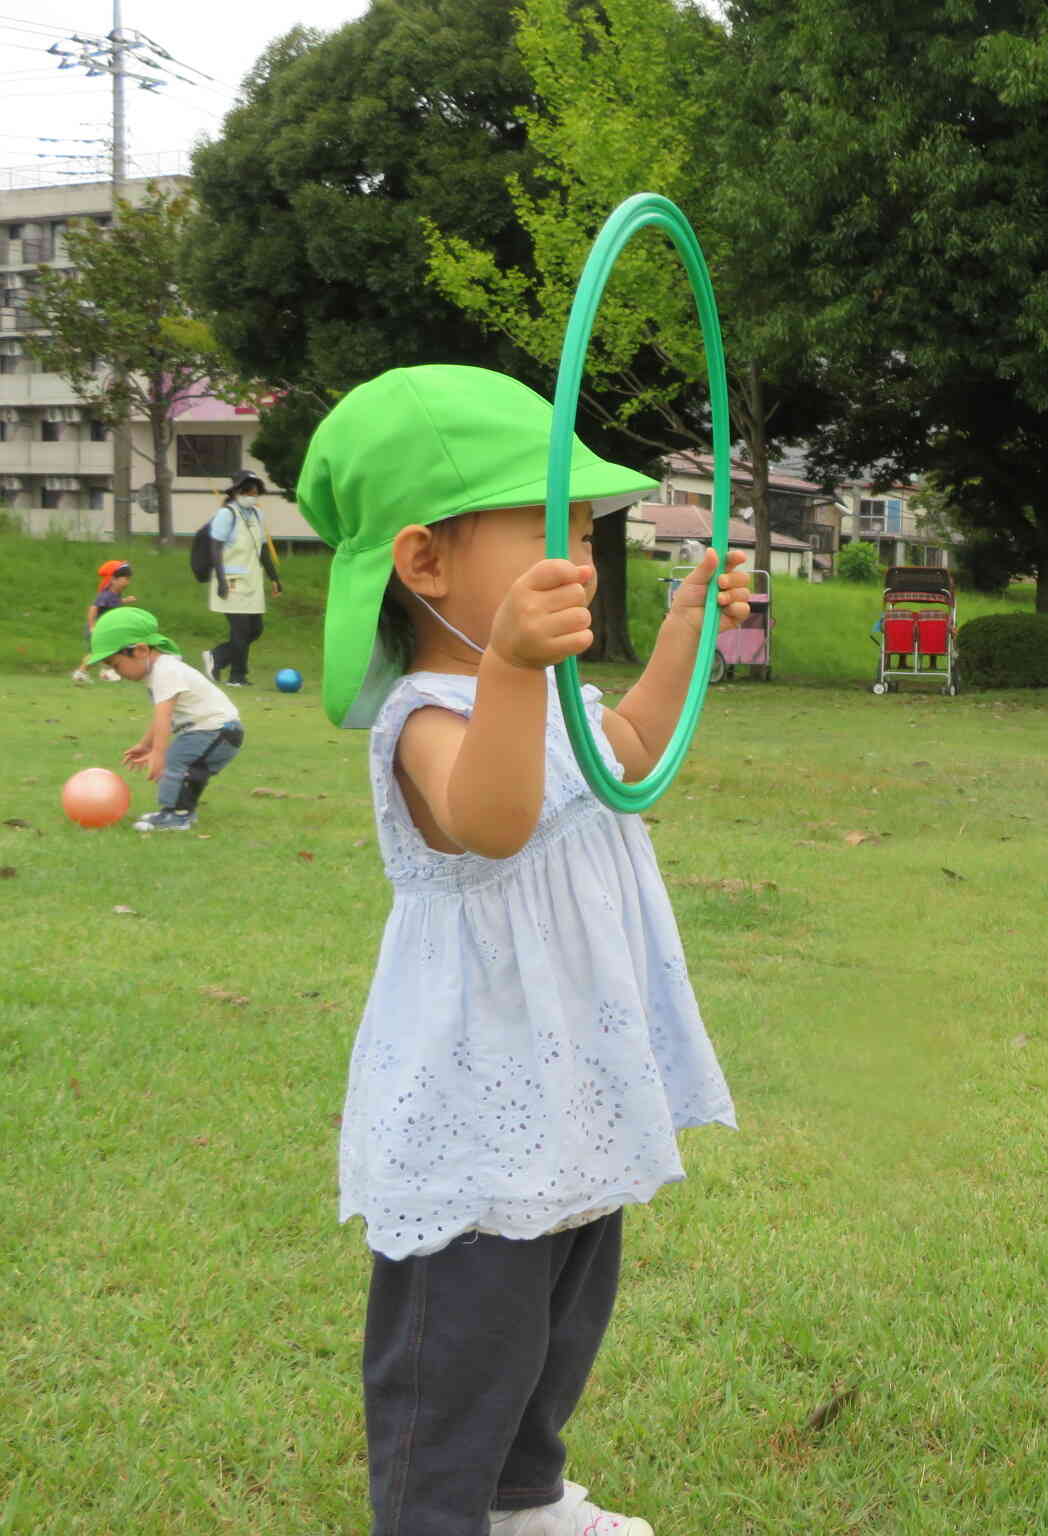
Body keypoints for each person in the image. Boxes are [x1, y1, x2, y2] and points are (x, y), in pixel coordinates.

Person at [296, 364, 749, 1536]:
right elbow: (489, 825)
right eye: (547, 529)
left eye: (588, 533)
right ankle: (440, 1514)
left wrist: (684, 635)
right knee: (462, 1339)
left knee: (559, 1309)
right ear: (426, 564)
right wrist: (506, 669)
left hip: (573, 1082)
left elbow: (631, 755)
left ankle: (524, 1498)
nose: (584, 557)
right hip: (477, 1096)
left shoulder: (555, 699)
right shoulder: (427, 718)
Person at [87, 605, 244, 833]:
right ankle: (181, 812)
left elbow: (164, 716)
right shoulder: (159, 672)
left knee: (175, 762)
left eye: (116, 664)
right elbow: (163, 718)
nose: (117, 672)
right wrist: (145, 745)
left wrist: (159, 753)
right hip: (215, 731)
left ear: (140, 650)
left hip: (217, 730)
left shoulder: (165, 671)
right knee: (187, 768)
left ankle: (175, 817)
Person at [202, 471, 283, 686]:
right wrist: (220, 579)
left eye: (256, 492)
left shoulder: (257, 514)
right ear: (238, 491)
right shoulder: (226, 514)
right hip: (231, 580)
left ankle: (217, 657)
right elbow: (215, 548)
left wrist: (274, 577)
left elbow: (262, 548)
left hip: (252, 581)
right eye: (249, 491)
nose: (253, 496)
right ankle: (237, 676)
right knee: (241, 630)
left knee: (255, 629)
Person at [72, 557, 135, 683]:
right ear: (113, 579)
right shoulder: (106, 595)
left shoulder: (115, 595)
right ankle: (81, 672)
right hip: (98, 629)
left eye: (129, 579)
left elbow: (113, 604)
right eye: (126, 579)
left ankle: (105, 672)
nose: (128, 582)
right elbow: (93, 609)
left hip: (106, 629)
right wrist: (92, 627)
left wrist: (124, 601)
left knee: (110, 649)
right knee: (98, 652)